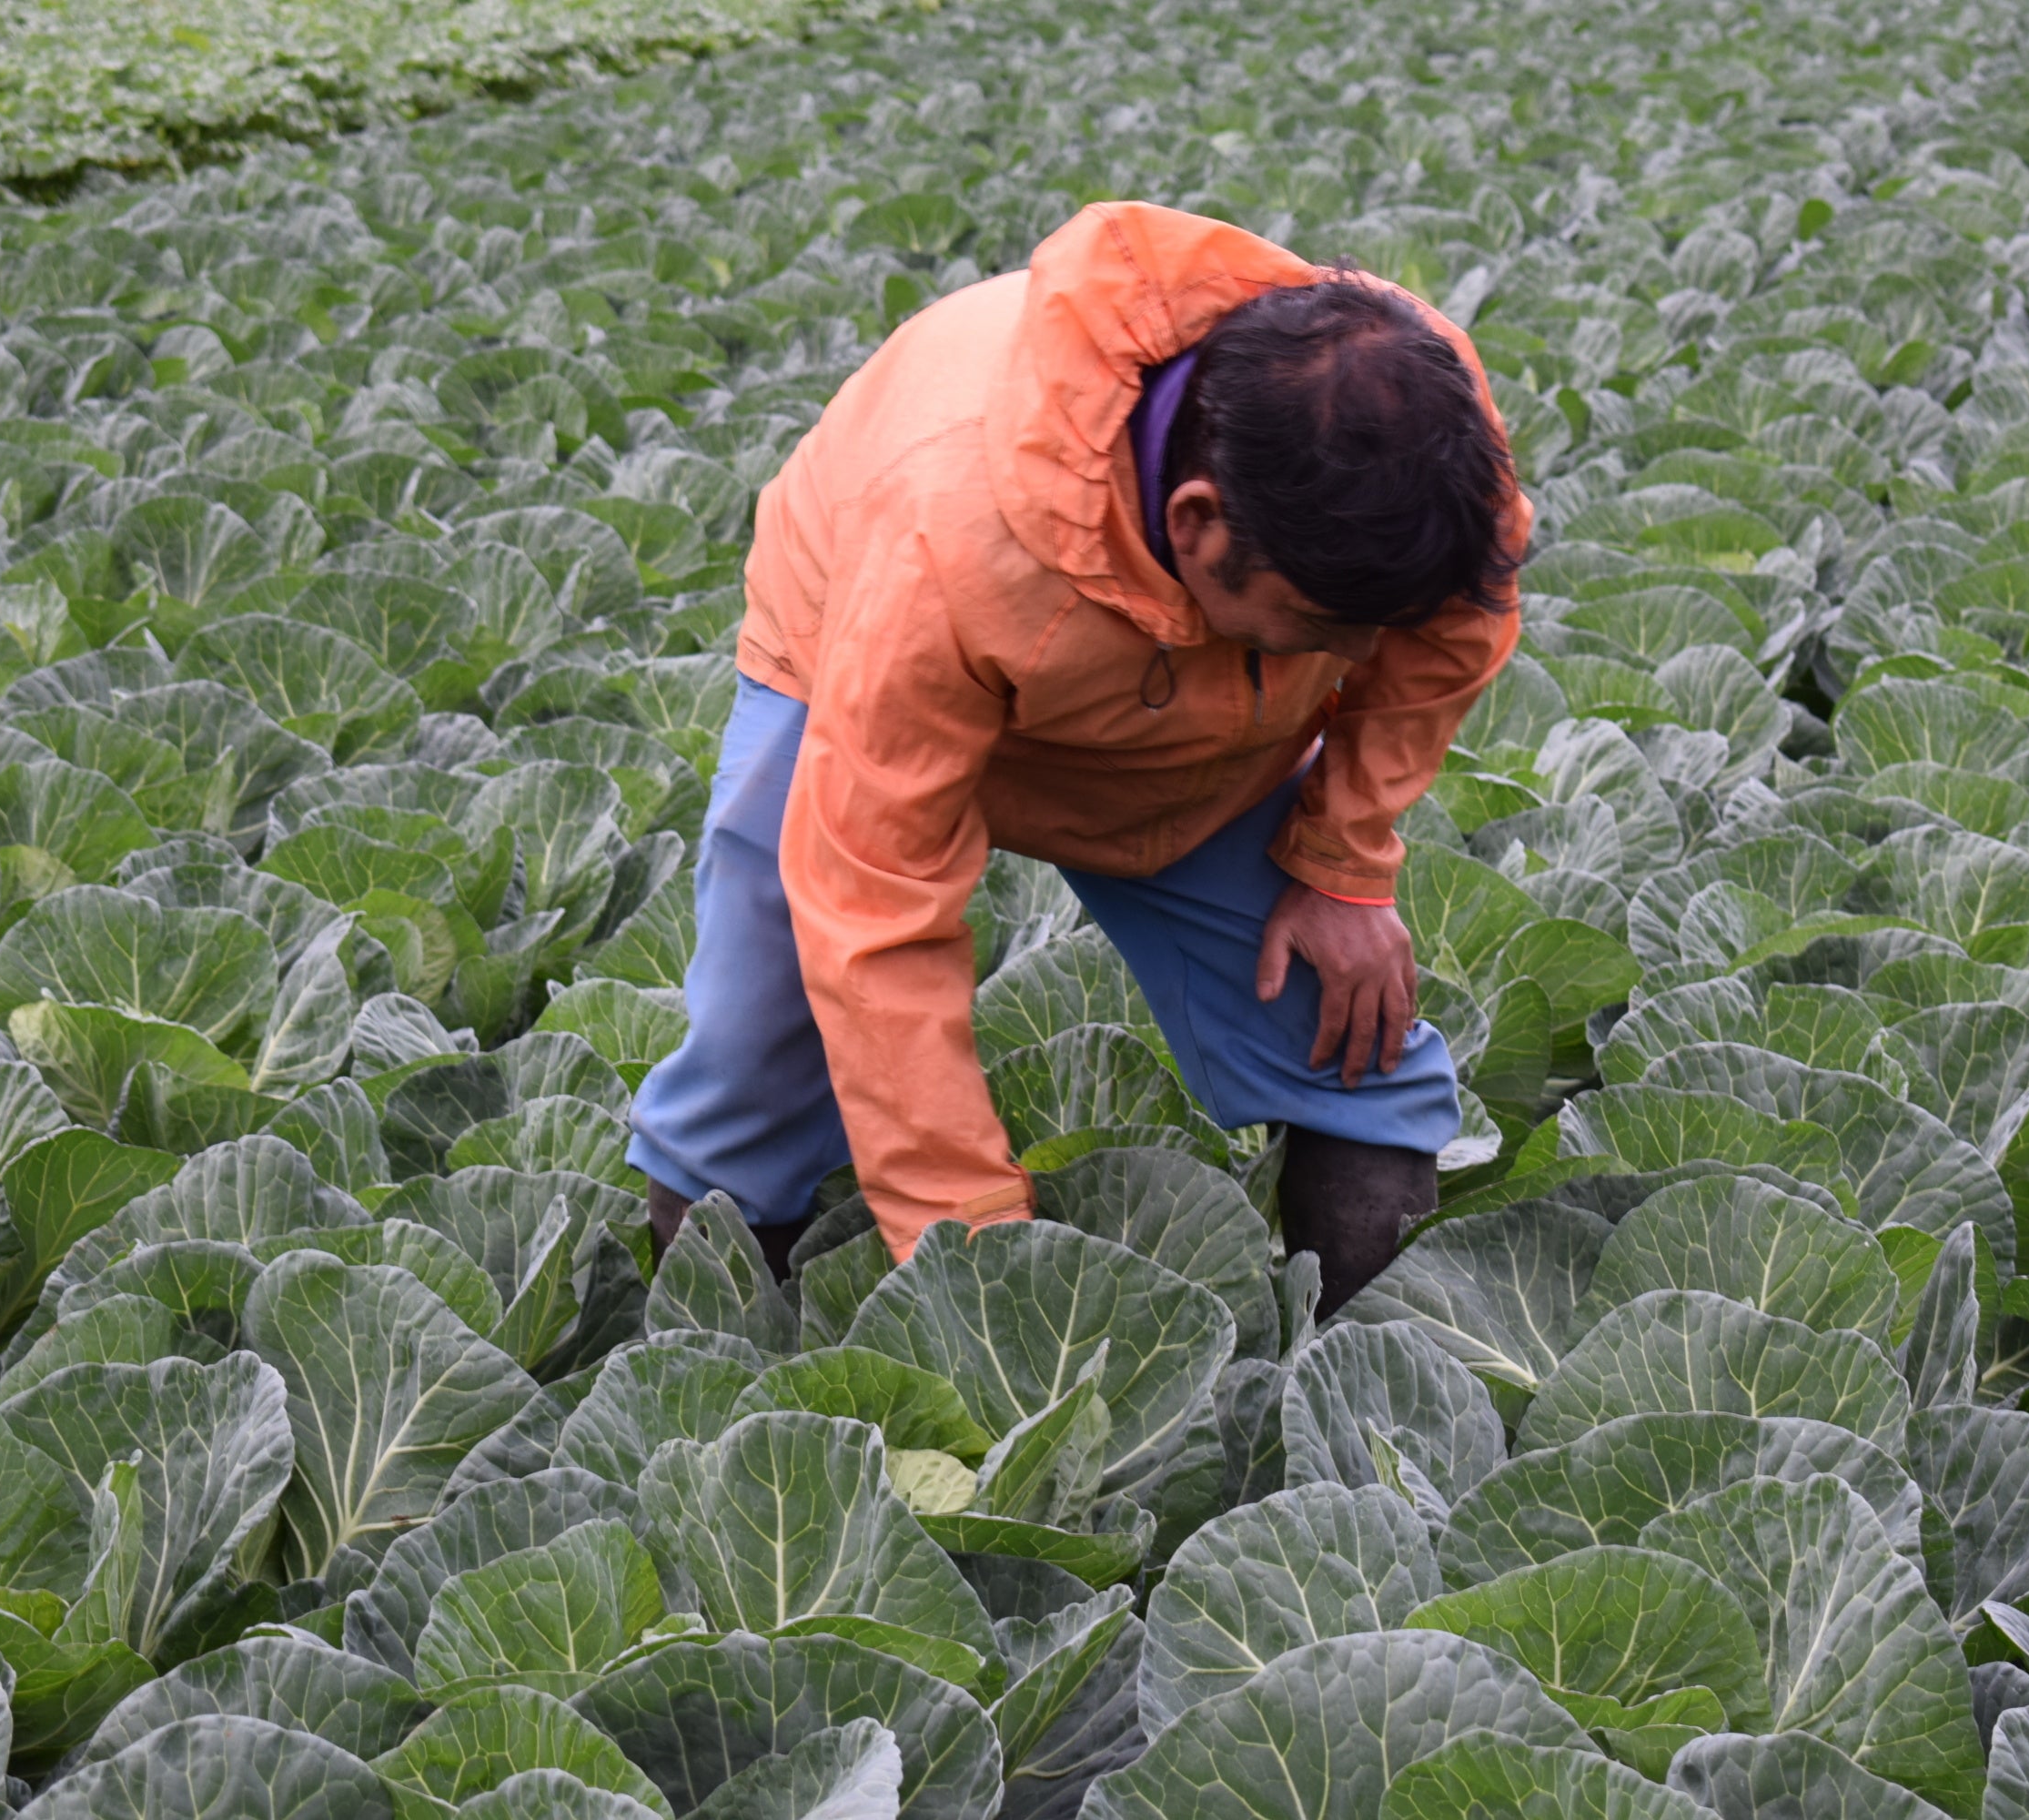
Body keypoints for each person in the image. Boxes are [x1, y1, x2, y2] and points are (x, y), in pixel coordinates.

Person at [625, 199, 1526, 1314]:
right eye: (1322, 626)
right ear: (1197, 522)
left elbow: (1448, 634)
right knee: (757, 1052)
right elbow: (876, 913)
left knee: (1349, 1040)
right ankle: (710, 1341)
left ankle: (1365, 1356)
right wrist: (981, 1268)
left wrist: (1341, 859)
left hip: (1197, 730)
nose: (1353, 661)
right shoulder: (941, 546)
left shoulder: (1419, 426)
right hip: (851, 661)